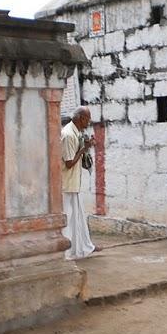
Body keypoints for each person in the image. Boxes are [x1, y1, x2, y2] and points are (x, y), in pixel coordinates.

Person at [60, 106, 102, 259]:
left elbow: (81, 161)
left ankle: (83, 247)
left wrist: (86, 147)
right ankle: (67, 251)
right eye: (87, 118)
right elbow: (69, 162)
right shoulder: (68, 135)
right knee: (68, 219)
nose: (89, 121)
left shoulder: (76, 133)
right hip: (66, 184)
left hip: (73, 183)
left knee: (77, 219)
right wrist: (83, 149)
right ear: (80, 118)